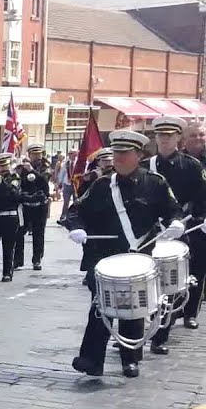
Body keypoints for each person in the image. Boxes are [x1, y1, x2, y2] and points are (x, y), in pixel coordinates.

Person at [64, 130, 184, 379]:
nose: (118, 158)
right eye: (116, 153)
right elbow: (76, 210)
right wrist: (76, 227)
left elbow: (173, 210)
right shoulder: (102, 184)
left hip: (138, 255)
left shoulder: (155, 183)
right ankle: (91, 360)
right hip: (105, 256)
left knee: (133, 310)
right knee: (100, 307)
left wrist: (176, 223)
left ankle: (131, 359)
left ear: (138, 155)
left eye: (124, 153)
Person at [144, 116, 206, 350]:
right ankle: (138, 331)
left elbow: (202, 197)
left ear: (178, 138)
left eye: (170, 136)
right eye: (161, 136)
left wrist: (200, 218)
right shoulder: (145, 166)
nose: (165, 140)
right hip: (152, 232)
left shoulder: (192, 166)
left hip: (182, 228)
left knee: (172, 285)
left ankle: (161, 335)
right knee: (147, 283)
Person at [0, 153, 32, 283]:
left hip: (9, 216)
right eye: (0, 166)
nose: (3, 168)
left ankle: (7, 273)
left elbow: (13, 193)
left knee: (8, 246)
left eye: (5, 165)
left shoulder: (14, 177)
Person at [14, 143, 53, 271]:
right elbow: (16, 180)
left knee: (38, 234)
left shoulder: (45, 167)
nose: (37, 156)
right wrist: (18, 168)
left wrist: (32, 170)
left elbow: (44, 181)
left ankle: (37, 260)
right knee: (19, 233)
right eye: (34, 154)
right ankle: (18, 261)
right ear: (29, 155)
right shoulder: (22, 167)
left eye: (39, 154)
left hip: (40, 205)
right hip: (25, 205)